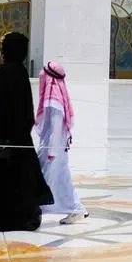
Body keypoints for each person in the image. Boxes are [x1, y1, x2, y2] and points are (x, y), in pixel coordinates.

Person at [0, 31, 53, 231]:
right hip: (20, 134)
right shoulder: (21, 71)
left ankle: (2, 216)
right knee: (20, 175)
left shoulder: (5, 71)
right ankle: (22, 216)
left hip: (4, 131)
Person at [36, 60, 88, 223]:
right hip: (57, 146)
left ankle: (37, 208)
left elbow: (57, 126)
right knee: (62, 178)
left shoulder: (54, 99)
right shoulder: (55, 96)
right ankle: (76, 208)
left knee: (45, 179)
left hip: (54, 147)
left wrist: (50, 151)